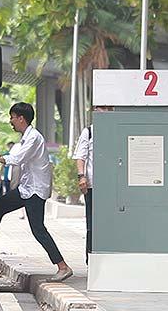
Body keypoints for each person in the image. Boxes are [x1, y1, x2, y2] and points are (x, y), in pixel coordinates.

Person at [0, 102, 73, 282]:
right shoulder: (26, 137)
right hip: (26, 189)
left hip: (35, 191)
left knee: (38, 229)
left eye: (12, 117)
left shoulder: (34, 138)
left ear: (21, 118)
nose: (10, 121)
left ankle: (63, 266)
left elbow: (18, 159)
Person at [71, 105, 111, 262]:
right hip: (94, 186)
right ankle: (92, 259)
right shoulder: (89, 132)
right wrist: (81, 177)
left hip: (112, 186)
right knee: (92, 224)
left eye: (108, 108)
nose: (105, 111)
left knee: (110, 223)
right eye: (101, 108)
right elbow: (80, 156)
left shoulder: (117, 130)